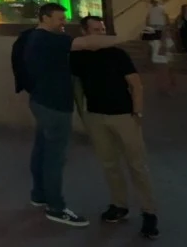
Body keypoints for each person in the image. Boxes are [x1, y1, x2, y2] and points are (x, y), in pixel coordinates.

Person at [24, 2, 120, 228]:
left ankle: (39, 194)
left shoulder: (36, 38)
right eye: (59, 19)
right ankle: (56, 207)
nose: (64, 23)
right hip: (55, 106)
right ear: (45, 18)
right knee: (54, 158)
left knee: (42, 150)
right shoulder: (49, 39)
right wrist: (125, 37)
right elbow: (86, 43)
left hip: (42, 101)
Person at [71, 16, 160, 240]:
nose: (100, 33)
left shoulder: (117, 54)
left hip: (123, 115)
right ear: (84, 32)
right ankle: (119, 204)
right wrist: (84, 115)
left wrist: (137, 112)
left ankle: (149, 212)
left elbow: (136, 84)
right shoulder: (78, 57)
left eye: (102, 29)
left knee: (137, 165)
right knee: (109, 163)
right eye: (95, 29)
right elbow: (77, 86)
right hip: (96, 116)